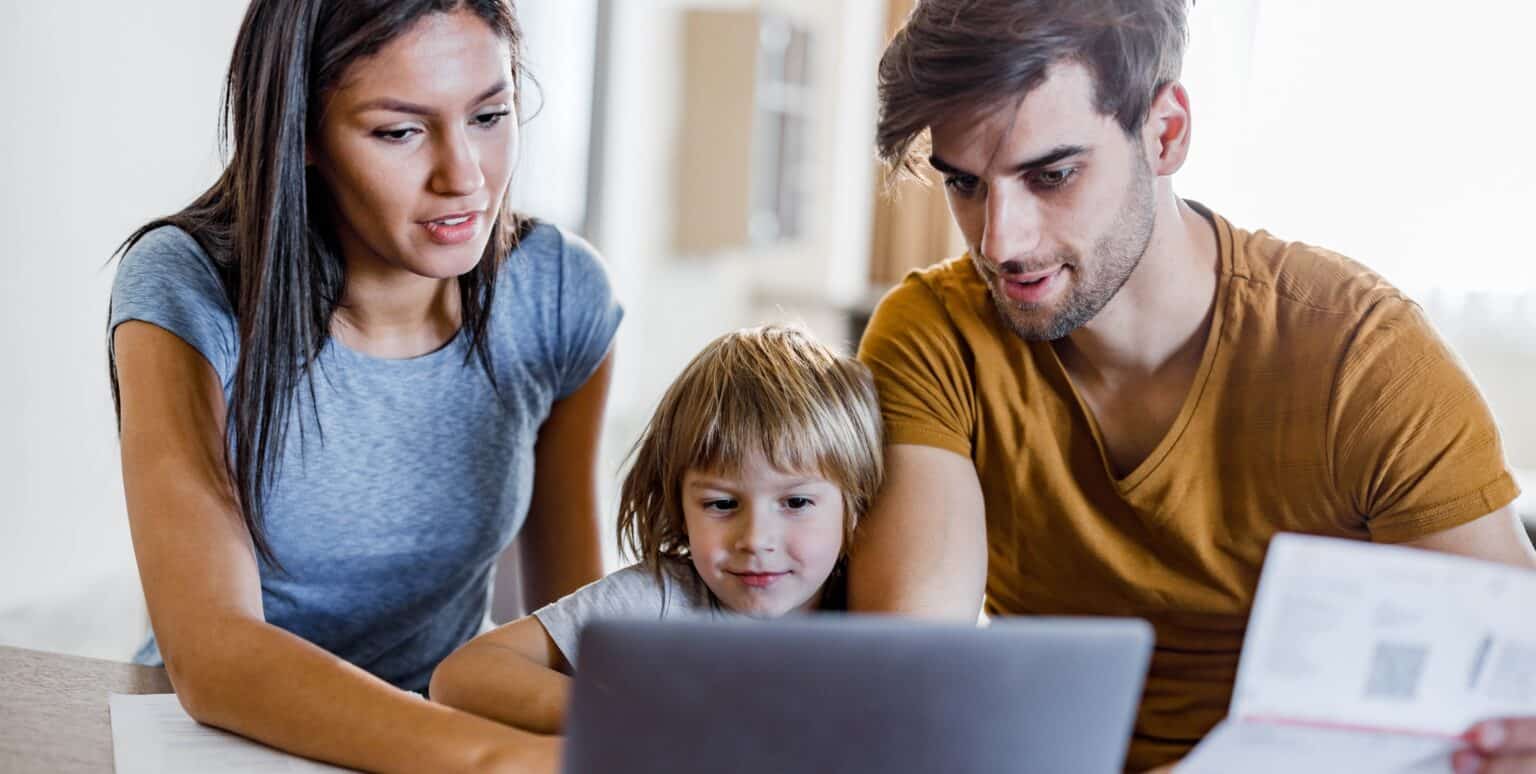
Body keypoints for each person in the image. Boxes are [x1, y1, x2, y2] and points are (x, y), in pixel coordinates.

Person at [849, 1, 1536, 770]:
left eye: (1052, 175)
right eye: (966, 185)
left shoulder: (1360, 354)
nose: (1000, 240)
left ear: (1165, 131)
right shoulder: (933, 337)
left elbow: (1510, 684)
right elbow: (910, 676)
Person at [108, 1, 619, 770]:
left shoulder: (557, 292)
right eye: (399, 131)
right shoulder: (188, 284)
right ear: (302, 133)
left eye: (490, 114)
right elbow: (215, 655)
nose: (464, 176)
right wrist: (494, 762)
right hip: (216, 742)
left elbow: (568, 630)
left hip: (435, 734)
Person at [430, 325, 884, 733]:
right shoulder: (660, 598)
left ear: (855, 501)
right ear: (679, 505)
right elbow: (463, 676)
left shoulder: (879, 607)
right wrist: (641, 712)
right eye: (722, 504)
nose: (756, 540)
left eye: (796, 502)